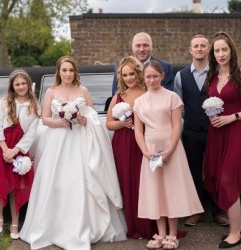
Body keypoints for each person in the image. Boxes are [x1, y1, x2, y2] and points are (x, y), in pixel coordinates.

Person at [20, 56, 126, 249]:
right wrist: (61, 122)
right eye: (64, 70)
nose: (68, 74)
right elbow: (44, 118)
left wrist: (85, 119)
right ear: (58, 72)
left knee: (82, 180)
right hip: (58, 143)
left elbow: (92, 114)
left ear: (75, 72)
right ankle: (53, 227)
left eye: (71, 70)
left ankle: (86, 224)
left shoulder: (82, 90)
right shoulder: (51, 92)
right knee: (57, 182)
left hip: (80, 141)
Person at [133, 61, 203, 249]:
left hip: (171, 147)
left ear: (162, 76)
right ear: (144, 78)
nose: (152, 79)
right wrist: (145, 152)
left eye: (155, 76)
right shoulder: (139, 102)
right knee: (156, 191)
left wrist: (170, 150)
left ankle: (172, 234)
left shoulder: (172, 97)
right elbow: (138, 131)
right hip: (150, 150)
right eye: (148, 76)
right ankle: (161, 233)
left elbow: (176, 125)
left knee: (172, 190)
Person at [203, 31, 241, 249]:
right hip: (217, 134)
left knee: (228, 179)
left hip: (237, 130)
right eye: (217, 50)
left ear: (231, 51)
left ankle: (235, 232)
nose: (220, 54)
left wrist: (233, 117)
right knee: (220, 180)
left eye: (224, 49)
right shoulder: (212, 75)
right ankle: (237, 226)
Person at [174, 34, 229, 227]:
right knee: (193, 172)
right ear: (190, 50)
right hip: (191, 132)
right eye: (195, 46)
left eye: (203, 46)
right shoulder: (181, 76)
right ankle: (196, 211)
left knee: (216, 171)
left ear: (208, 50)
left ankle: (219, 211)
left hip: (215, 130)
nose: (199, 49)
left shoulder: (217, 73)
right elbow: (178, 105)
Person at [0, 69, 40, 240]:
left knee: (16, 187)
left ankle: (15, 222)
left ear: (28, 85)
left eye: (24, 83)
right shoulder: (4, 102)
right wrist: (5, 149)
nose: (21, 87)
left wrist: (15, 150)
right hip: (0, 147)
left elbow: (31, 132)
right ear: (12, 86)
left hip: (18, 149)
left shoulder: (34, 105)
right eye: (17, 84)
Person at [106, 56, 155, 239]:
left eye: (132, 74)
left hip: (144, 143)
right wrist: (122, 124)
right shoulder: (119, 96)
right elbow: (108, 123)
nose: (128, 78)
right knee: (126, 181)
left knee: (143, 183)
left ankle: (148, 225)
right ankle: (131, 226)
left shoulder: (148, 93)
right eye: (125, 75)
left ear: (138, 73)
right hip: (123, 143)